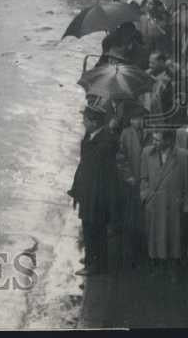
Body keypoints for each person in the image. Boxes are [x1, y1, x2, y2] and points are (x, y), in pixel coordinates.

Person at [68, 103, 118, 276]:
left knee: (95, 229)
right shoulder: (91, 137)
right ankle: (92, 259)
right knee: (89, 228)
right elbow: (83, 167)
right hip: (88, 192)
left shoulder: (105, 143)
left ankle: (95, 264)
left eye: (86, 119)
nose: (83, 122)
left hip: (96, 195)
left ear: (94, 122)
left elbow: (98, 173)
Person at [140, 128, 188, 282]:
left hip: (173, 206)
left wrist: (187, 206)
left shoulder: (183, 156)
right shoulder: (146, 153)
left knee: (174, 238)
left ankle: (173, 269)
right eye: (153, 139)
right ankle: (157, 267)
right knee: (155, 237)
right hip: (154, 204)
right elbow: (143, 178)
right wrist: (145, 196)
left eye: (158, 140)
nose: (154, 143)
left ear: (169, 140)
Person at [115, 103, 148, 269]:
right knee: (129, 220)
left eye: (141, 118)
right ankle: (129, 255)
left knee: (143, 221)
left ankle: (141, 254)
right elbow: (120, 157)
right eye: (135, 119)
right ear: (131, 120)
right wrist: (128, 176)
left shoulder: (148, 134)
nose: (138, 122)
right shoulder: (126, 134)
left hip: (145, 184)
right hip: (130, 185)